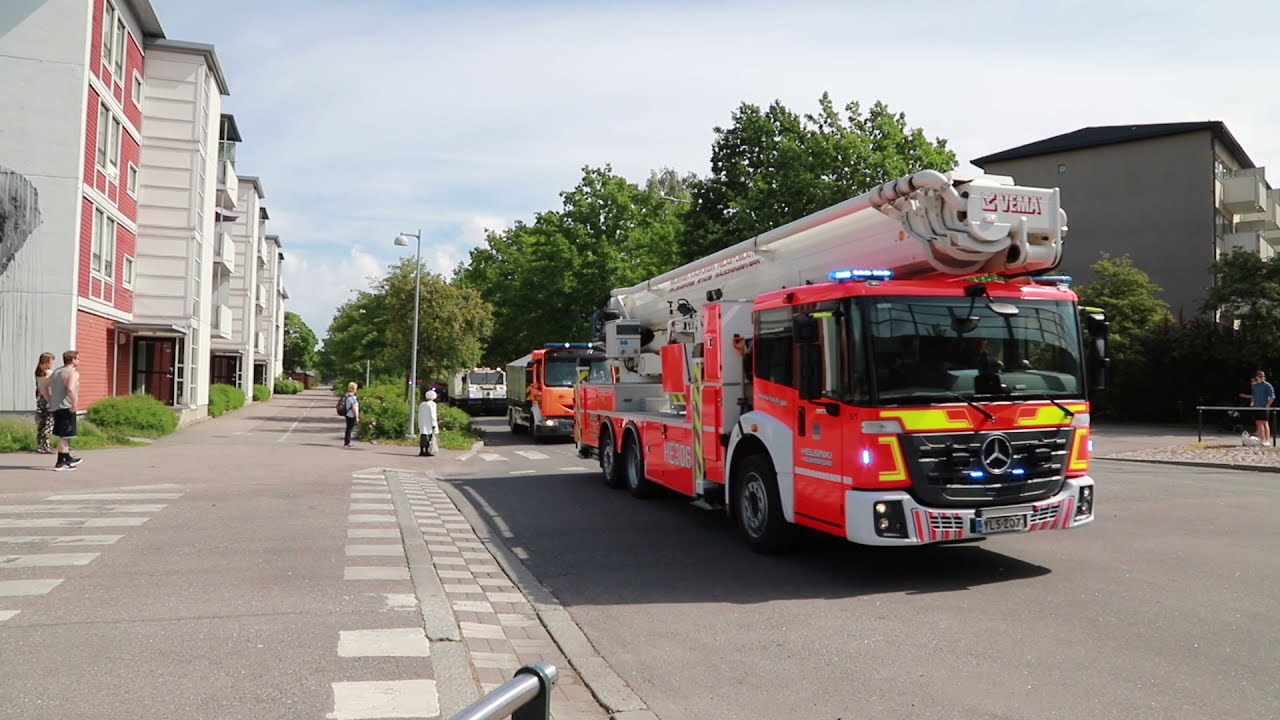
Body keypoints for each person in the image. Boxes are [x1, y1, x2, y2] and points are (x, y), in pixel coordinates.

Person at [48, 350, 83, 471]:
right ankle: (59, 463)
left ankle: (67, 459)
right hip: (66, 407)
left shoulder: (57, 371)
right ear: (72, 360)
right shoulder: (73, 373)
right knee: (65, 435)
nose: (79, 361)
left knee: (65, 435)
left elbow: (44, 385)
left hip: (56, 407)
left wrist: (50, 399)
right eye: (77, 359)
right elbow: (70, 388)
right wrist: (74, 403)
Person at [1239, 370, 1275, 444]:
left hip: (1264, 407)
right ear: (1257, 377)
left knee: (1264, 423)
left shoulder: (1267, 385)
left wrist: (1267, 405)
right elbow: (1254, 396)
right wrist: (1252, 404)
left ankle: (1266, 440)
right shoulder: (1254, 385)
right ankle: (1262, 439)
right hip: (1256, 406)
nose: (1262, 378)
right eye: (1260, 376)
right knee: (1258, 423)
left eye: (1263, 376)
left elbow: (1272, 396)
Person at [33, 352, 55, 454]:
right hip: (48, 398)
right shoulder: (49, 373)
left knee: (42, 422)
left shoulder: (38, 372)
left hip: (40, 398)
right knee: (50, 422)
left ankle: (40, 445)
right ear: (47, 361)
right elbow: (51, 386)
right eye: (51, 361)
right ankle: (46, 445)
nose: (52, 363)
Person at [418, 389, 440, 457]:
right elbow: (433, 415)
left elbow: (419, 414)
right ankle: (427, 451)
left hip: (422, 423)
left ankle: (421, 451)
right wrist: (434, 425)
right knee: (429, 438)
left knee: (422, 437)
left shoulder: (422, 404)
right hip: (429, 424)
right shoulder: (432, 404)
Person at [341, 382, 360, 448]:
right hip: (351, 415)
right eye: (356, 388)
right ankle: (347, 443)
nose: (356, 390)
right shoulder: (352, 397)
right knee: (349, 429)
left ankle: (347, 442)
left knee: (348, 428)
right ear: (353, 388)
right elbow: (353, 407)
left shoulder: (347, 395)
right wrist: (357, 416)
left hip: (347, 414)